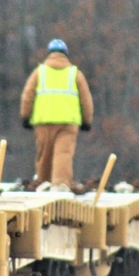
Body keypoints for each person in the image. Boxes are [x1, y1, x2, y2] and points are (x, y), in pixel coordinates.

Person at [19, 39, 94, 189]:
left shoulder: (39, 72)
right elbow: (86, 101)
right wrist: (87, 121)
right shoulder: (75, 74)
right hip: (68, 123)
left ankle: (44, 185)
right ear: (65, 55)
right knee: (63, 155)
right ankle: (60, 186)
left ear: (49, 54)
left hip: (43, 121)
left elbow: (27, 97)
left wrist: (26, 117)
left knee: (44, 157)